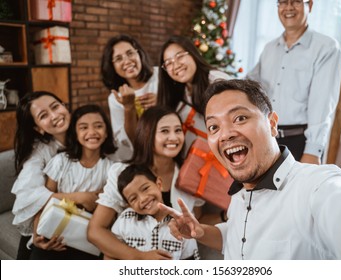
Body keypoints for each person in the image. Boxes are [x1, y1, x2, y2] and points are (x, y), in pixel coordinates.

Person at [160, 79, 341, 260]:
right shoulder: (241, 191)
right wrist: (202, 231)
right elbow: (239, 236)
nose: (226, 133)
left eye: (239, 118)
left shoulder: (315, 185)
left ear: (272, 124)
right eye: (213, 126)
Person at [88, 106, 202, 259]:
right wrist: (139, 257)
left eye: (178, 130)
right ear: (147, 135)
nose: (174, 137)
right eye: (164, 131)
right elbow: (96, 231)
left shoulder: (190, 174)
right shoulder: (122, 173)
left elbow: (197, 221)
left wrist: (225, 215)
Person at [246, 0, 341, 164]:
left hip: (299, 142)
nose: (289, 7)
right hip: (266, 137)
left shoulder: (326, 48)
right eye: (283, 2)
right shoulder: (269, 48)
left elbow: (322, 104)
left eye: (296, 1)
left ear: (309, 5)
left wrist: (313, 150)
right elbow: (250, 84)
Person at [29, 104, 116, 260]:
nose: (92, 132)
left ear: (106, 133)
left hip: (87, 239)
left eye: (98, 126)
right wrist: (37, 235)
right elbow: (42, 201)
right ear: (75, 134)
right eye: (83, 127)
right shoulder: (60, 162)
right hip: (55, 233)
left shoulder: (111, 168)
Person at [11, 91, 71, 259]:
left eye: (55, 107)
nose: (54, 116)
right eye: (43, 115)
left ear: (64, 106)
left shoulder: (88, 133)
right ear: (38, 127)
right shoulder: (40, 150)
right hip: (50, 213)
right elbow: (30, 192)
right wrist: (78, 197)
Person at [157, 35, 231, 152]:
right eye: (168, 63)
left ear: (192, 54)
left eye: (180, 56)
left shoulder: (216, 81)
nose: (176, 65)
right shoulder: (183, 90)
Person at [110, 164, 199, 260]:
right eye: (133, 198)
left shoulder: (182, 224)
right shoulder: (125, 220)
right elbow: (110, 253)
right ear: (129, 205)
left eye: (145, 188)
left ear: (159, 184)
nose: (143, 199)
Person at [101, 34, 158, 161]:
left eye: (130, 53)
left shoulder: (160, 76)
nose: (127, 61)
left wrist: (163, 99)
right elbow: (128, 141)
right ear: (112, 67)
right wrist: (129, 108)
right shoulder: (116, 98)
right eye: (118, 58)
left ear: (139, 54)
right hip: (145, 155)